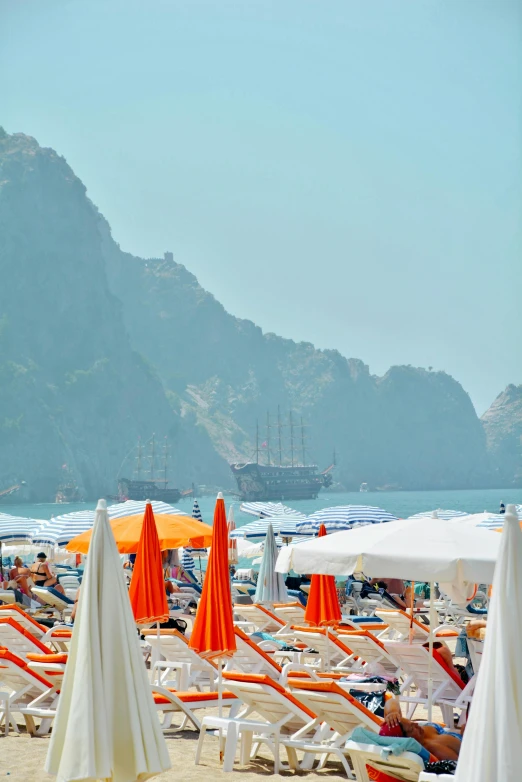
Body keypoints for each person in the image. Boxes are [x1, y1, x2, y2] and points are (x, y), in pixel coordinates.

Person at [382, 697, 462, 761]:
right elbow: (459, 765)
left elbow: (392, 701)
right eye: (412, 728)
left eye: (411, 722)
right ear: (406, 740)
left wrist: (392, 712)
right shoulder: (433, 748)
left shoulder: (419, 734)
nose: (416, 724)